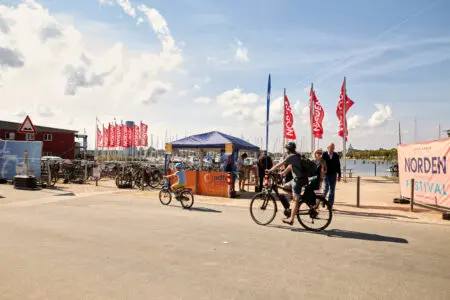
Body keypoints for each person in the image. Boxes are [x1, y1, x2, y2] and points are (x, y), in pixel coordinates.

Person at [267, 142, 308, 225]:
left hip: (298, 180)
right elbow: (290, 166)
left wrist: (270, 170)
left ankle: (291, 219)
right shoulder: (296, 155)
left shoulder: (292, 156)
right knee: (285, 187)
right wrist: (282, 173)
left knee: (295, 200)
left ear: (288, 150)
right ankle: (295, 200)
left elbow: (281, 163)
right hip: (297, 179)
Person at [322, 142, 341, 207]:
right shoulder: (324, 154)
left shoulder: (336, 155)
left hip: (333, 174)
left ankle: (330, 205)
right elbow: (321, 164)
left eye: (333, 148)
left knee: (332, 190)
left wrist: (339, 175)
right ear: (328, 148)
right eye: (331, 147)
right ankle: (322, 201)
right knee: (326, 188)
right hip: (326, 174)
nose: (332, 149)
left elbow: (338, 166)